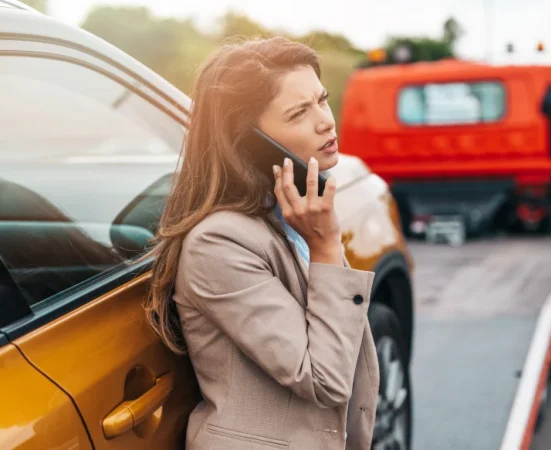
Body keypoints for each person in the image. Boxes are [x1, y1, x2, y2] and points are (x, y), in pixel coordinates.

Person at [142, 36, 379, 450]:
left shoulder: (292, 215)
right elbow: (324, 380)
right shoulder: (218, 244)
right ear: (249, 139)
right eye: (299, 113)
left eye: (321, 101)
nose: (325, 122)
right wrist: (326, 248)